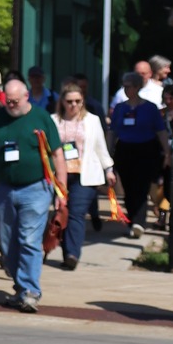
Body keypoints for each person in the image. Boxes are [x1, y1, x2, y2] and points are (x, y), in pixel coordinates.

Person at [0, 74, 67, 311]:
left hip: (36, 188)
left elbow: (57, 155)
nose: (10, 105)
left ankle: (31, 291)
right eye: (7, 101)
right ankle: (21, 288)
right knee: (9, 243)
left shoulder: (42, 118)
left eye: (14, 101)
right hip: (4, 189)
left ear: (26, 96)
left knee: (29, 240)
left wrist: (61, 190)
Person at [52, 83, 115, 268]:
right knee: (62, 212)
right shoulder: (53, 120)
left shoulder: (92, 120)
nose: (73, 105)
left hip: (84, 174)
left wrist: (108, 169)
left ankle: (72, 254)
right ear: (62, 102)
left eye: (78, 101)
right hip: (60, 175)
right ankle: (66, 250)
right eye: (69, 101)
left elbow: (100, 147)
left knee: (77, 214)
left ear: (83, 102)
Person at [108, 72, 170, 229]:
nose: (125, 89)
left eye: (128, 86)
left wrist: (167, 152)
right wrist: (108, 153)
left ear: (137, 87)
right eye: (124, 86)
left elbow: (161, 131)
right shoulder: (120, 108)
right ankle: (133, 218)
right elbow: (112, 131)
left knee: (141, 186)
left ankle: (138, 222)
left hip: (146, 150)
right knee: (128, 187)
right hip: (125, 150)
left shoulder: (150, 108)